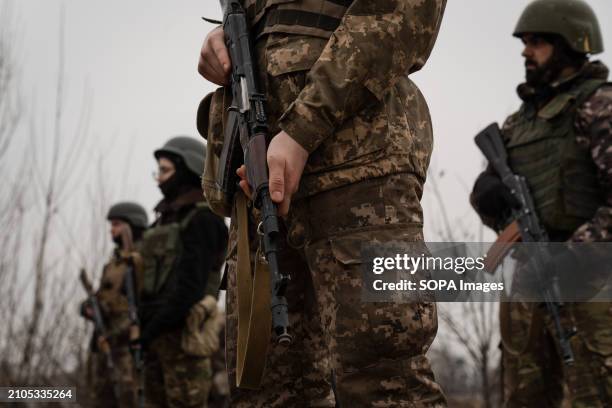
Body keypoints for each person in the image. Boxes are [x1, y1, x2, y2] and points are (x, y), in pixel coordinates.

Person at [197, 0, 448, 406]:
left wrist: (300, 132)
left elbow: (402, 16)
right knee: (266, 389)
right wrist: (222, 40)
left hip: (358, 166)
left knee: (382, 380)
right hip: (258, 171)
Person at [470, 0, 612, 406]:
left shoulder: (599, 107)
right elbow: (499, 214)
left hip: (590, 286)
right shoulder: (519, 123)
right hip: (527, 284)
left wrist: (572, 255)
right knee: (524, 397)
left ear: (569, 45)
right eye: (524, 42)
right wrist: (487, 196)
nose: (525, 52)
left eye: (536, 43)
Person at [138, 136, 228, 408]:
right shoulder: (162, 221)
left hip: (186, 338)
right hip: (156, 338)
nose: (159, 180)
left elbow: (190, 287)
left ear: (188, 168)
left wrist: (151, 328)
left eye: (165, 171)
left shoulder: (203, 218)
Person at [81, 201, 149, 408]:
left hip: (128, 345)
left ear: (132, 224)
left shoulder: (140, 259)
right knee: (101, 397)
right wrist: (88, 307)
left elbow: (143, 301)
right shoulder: (113, 264)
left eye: (117, 224)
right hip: (106, 342)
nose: (112, 229)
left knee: (130, 398)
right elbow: (103, 298)